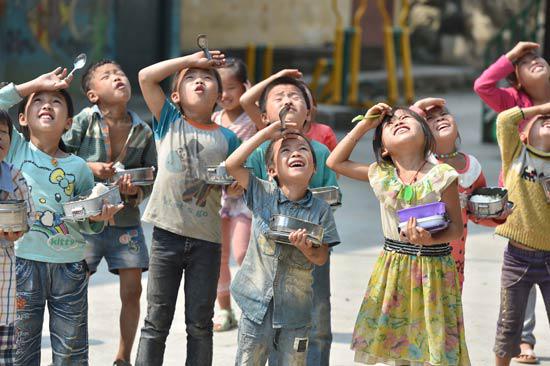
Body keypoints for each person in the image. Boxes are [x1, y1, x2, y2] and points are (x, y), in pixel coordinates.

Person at [327, 103, 470, 365]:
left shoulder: (443, 175)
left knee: (432, 344)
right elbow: (334, 162)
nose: (398, 121)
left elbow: (455, 228)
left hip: (434, 270)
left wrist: (430, 239)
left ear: (426, 136)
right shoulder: (382, 174)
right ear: (384, 148)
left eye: (407, 118)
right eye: (389, 124)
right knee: (397, 346)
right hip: (394, 267)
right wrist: (364, 125)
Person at [0, 69, 121, 365]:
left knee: (71, 351)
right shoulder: (16, 149)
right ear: (23, 119)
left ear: (68, 123)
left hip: (70, 267)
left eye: (56, 101)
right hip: (23, 265)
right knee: (22, 350)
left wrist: (100, 216)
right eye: (38, 100)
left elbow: (86, 217)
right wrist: (33, 84)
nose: (46, 103)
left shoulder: (79, 167)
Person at [135, 49, 240, 365]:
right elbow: (145, 77)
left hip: (207, 241)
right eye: (191, 78)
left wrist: (234, 185)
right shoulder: (169, 121)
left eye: (207, 78)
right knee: (156, 321)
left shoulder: (228, 138)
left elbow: (238, 180)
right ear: (176, 96)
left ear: (219, 96)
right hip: (167, 236)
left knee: (199, 324)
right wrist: (190, 60)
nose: (199, 81)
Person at [62, 59, 157, 366]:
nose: (119, 78)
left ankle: (122, 357)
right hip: (86, 221)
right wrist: (89, 167)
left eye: (121, 73)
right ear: (92, 95)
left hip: (125, 223)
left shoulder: (143, 130)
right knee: (74, 290)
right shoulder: (81, 122)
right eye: (108, 76)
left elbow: (151, 176)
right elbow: (60, 157)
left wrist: (135, 192)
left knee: (132, 291)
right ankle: (73, 352)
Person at [240, 73, 338, 365]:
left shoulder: (318, 151)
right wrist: (277, 76)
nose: (287, 100)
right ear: (263, 114)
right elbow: (240, 174)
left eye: (295, 96)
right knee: (263, 324)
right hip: (269, 250)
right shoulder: (261, 150)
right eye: (278, 96)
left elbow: (331, 195)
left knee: (317, 314)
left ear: (309, 112)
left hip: (310, 244)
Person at [474, 40, 550, 363]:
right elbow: (483, 85)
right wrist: (511, 56)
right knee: (517, 299)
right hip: (523, 202)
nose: (533, 60)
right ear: (517, 79)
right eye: (525, 62)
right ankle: (524, 339)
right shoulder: (514, 101)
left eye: (537, 56)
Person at [412, 98, 511, 289]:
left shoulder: (471, 166)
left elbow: (476, 211)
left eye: (444, 114)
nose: (440, 119)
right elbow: (404, 126)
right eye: (430, 118)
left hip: (455, 257)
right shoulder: (421, 163)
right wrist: (418, 107)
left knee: (450, 307)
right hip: (422, 253)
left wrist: (498, 215)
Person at [492, 103, 550, 366]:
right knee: (508, 326)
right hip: (517, 259)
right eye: (543, 119)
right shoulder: (516, 153)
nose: (548, 119)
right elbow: (505, 120)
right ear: (525, 134)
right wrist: (541, 107)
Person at [211, 58, 256, 332]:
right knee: (218, 257)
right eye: (220, 88)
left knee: (242, 254)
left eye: (232, 88)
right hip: (218, 198)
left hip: (244, 200)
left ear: (245, 88)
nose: (225, 95)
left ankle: (252, 307)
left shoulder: (252, 120)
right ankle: (225, 309)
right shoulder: (212, 119)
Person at [0, 108, 34, 366]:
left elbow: (29, 215)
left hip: (4, 288)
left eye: (3, 133)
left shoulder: (13, 176)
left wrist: (19, 229)